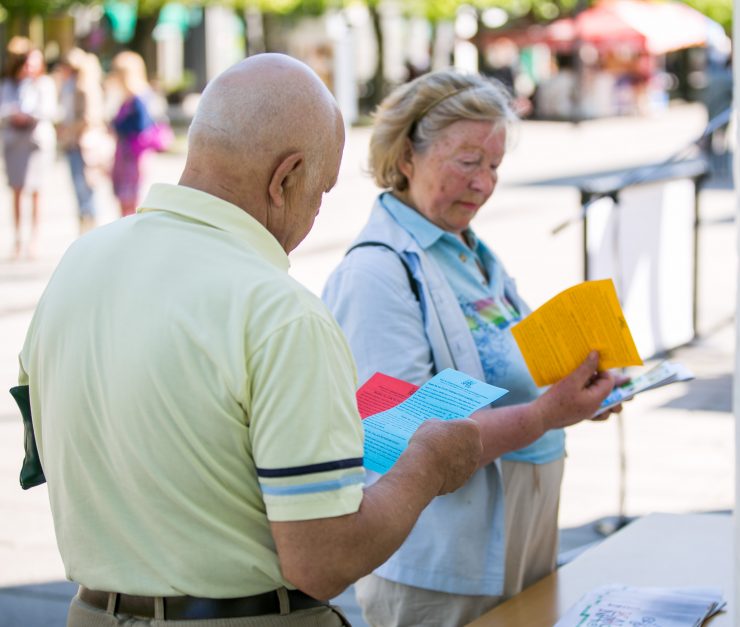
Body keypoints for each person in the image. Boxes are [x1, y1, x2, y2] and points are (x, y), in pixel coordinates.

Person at [15, 53, 482, 626]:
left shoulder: (79, 263)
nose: (316, 212)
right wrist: (428, 464)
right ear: (285, 178)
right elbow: (324, 559)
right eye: (322, 189)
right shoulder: (281, 314)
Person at [322, 69, 623, 626]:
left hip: (518, 535)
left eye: (494, 166)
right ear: (406, 156)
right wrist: (545, 415)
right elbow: (398, 439)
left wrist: (580, 389)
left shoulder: (470, 252)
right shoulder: (375, 273)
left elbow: (515, 367)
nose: (484, 183)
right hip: (443, 559)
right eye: (467, 162)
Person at [0, 44, 57, 259]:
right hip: (15, 142)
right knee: (16, 190)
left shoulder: (44, 84)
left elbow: (49, 110)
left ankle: (34, 238)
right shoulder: (9, 85)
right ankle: (17, 238)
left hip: (36, 142)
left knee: (36, 191)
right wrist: (13, 115)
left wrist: (29, 115)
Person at [56, 47, 111, 234]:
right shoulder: (70, 86)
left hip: (84, 144)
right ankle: (84, 228)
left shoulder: (85, 87)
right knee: (80, 190)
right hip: (74, 143)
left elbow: (89, 117)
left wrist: (68, 128)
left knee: (86, 188)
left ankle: (89, 229)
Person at [108, 50, 166, 217]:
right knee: (124, 199)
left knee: (133, 200)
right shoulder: (128, 98)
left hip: (134, 155)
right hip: (125, 154)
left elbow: (141, 126)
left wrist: (117, 126)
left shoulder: (139, 98)